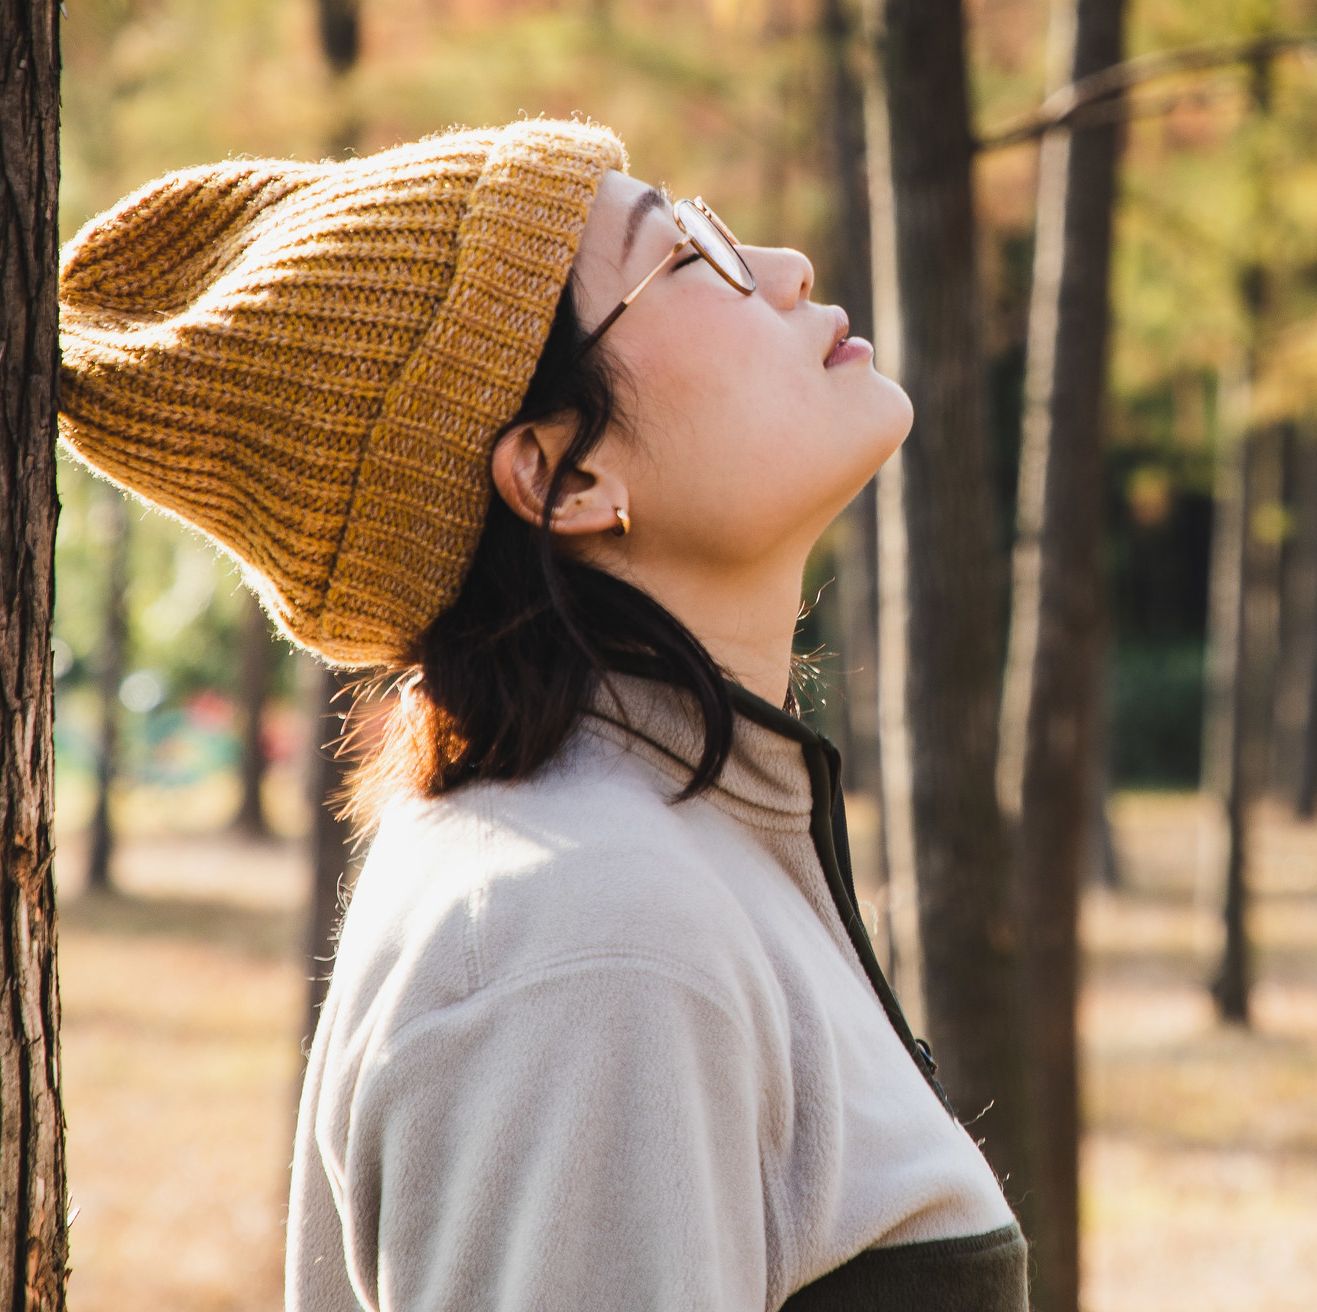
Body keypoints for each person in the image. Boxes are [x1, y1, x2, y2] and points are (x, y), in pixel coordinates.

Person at [55, 119, 1025, 1311]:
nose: (783, 268)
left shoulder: (658, 860)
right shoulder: (589, 932)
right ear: (562, 477)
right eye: (690, 255)